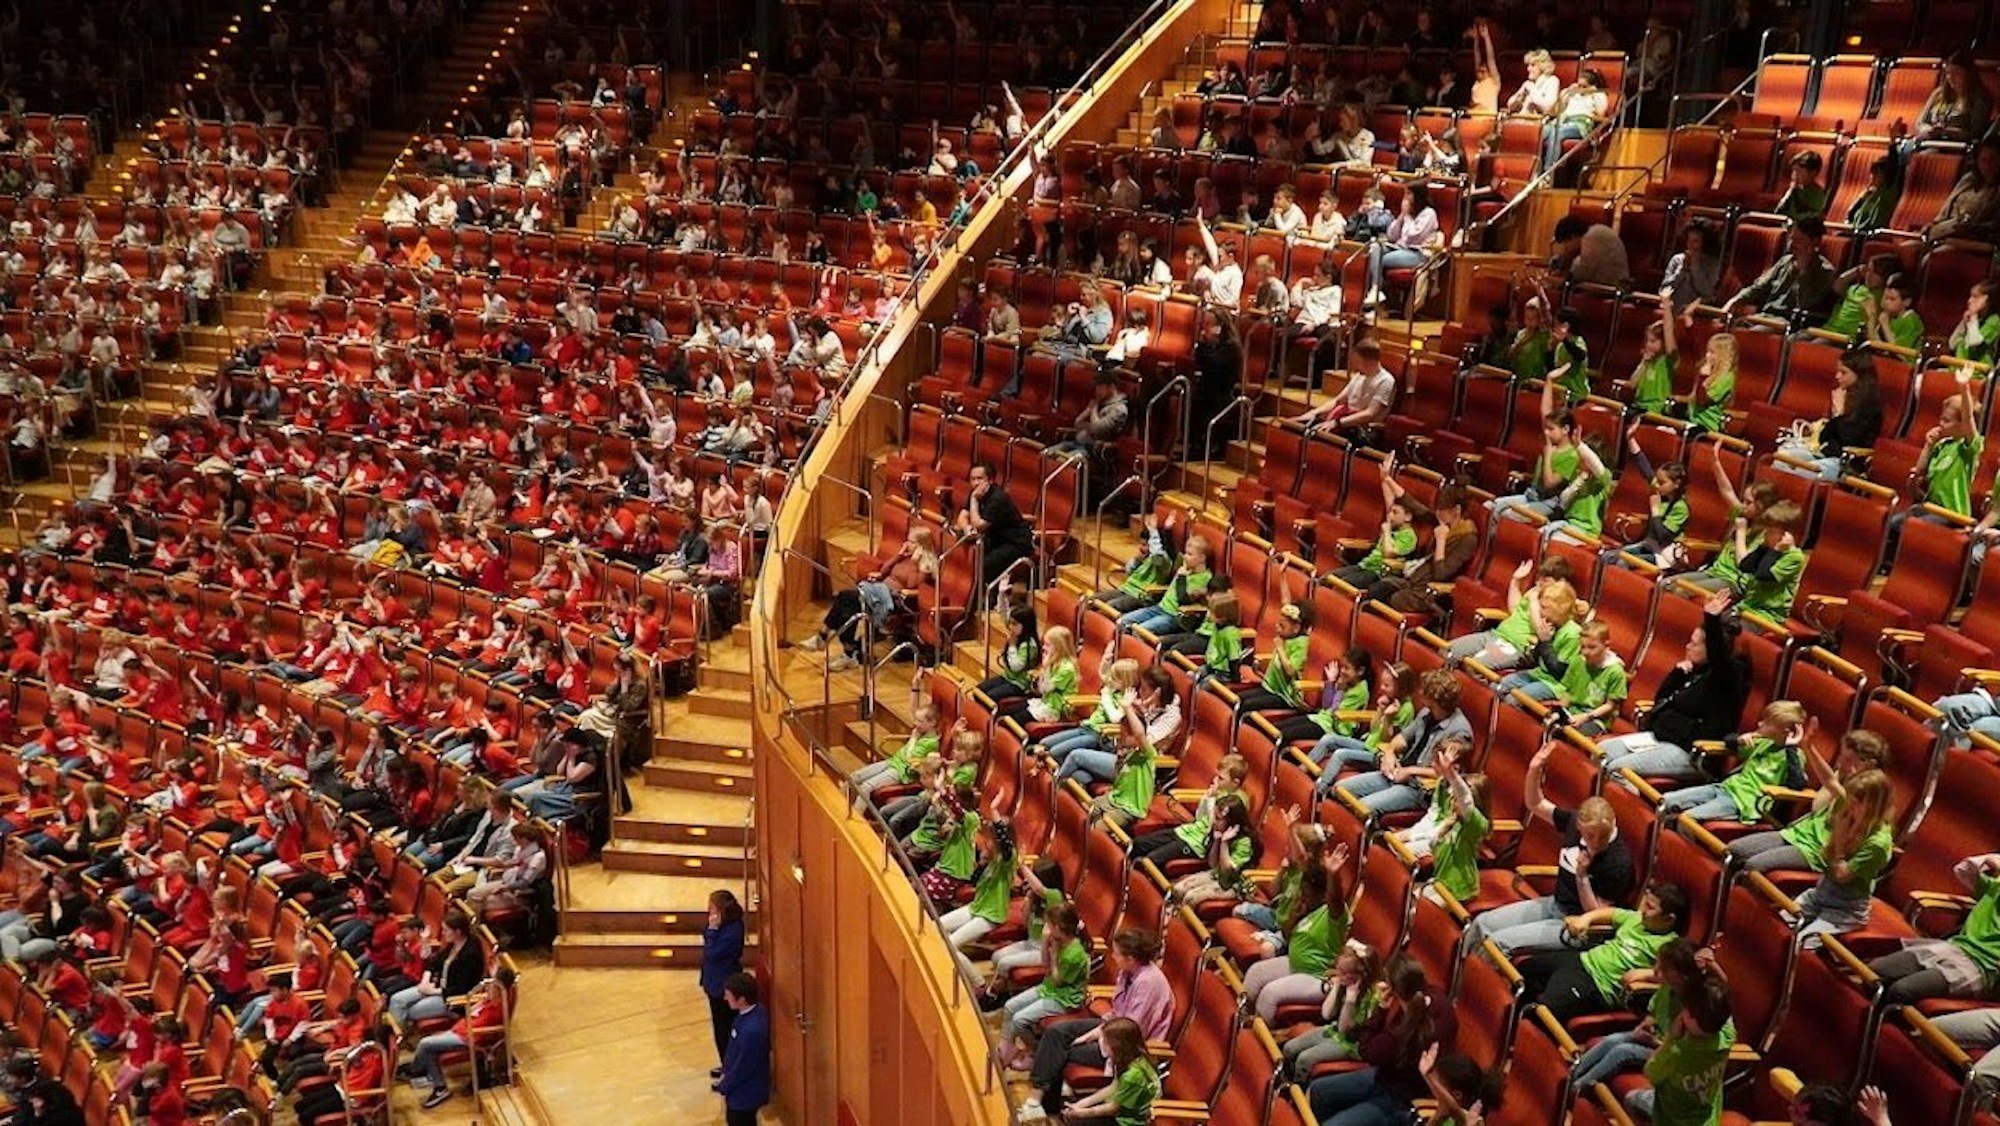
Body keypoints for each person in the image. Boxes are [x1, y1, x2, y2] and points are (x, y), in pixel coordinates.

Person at [1469, 741, 1635, 956]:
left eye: (1596, 836)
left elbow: (1595, 917)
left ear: (1611, 827)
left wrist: (1582, 876)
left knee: (1498, 944)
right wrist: (1534, 770)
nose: (1589, 841)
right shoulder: (1575, 822)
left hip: (1577, 924)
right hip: (1554, 904)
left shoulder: (1618, 863)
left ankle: (1480, 976)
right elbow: (1535, 804)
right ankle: (1460, 971)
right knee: (1482, 923)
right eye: (1585, 834)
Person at [1018, 931, 1174, 1123]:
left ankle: (1047, 1105)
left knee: (1063, 1051)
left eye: (1117, 953)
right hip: (1112, 1024)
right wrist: (1094, 1033)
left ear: (1131, 958)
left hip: (1128, 1043)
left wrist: (1097, 1035)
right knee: (1056, 1033)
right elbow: (1117, 1014)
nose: (1113, 957)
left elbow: (1129, 1029)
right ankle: (1038, 1101)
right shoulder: (1128, 971)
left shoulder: (1148, 983)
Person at [1517, 880, 1690, 1024]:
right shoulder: (1637, 919)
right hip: (1582, 960)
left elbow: (1680, 976)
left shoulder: (1670, 945)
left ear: (1669, 919)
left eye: (1651, 908)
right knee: (1522, 972)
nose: (1643, 911)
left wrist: (1648, 974)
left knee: (1545, 1011)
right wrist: (1585, 919)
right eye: (1645, 904)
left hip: (1599, 986)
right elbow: (1611, 913)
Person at [1655, 700, 1809, 824]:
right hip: (1724, 788)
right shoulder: (1764, 743)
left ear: (1786, 732)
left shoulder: (1794, 756)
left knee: (1688, 819)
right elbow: (1728, 742)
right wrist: (1740, 740)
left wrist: (1790, 748)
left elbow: (1797, 784)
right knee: (1666, 801)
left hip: (1743, 802)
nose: (1760, 724)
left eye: (1768, 723)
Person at [1776, 349, 1884, 481]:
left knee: (1801, 472)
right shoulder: (1843, 396)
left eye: (1843, 372)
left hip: (1846, 463)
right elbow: (1824, 437)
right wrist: (1833, 417)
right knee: (1781, 458)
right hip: (1825, 453)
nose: (1837, 376)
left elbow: (1849, 439)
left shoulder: (1870, 405)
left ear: (1860, 375)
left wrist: (1839, 413)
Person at [1042, 1017, 1157, 1124]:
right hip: (1119, 1104)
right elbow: (1114, 1087)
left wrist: (1082, 1113)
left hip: (1128, 1120)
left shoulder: (1132, 1075)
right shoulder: (1128, 1058)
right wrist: (1081, 1104)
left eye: (1104, 1040)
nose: (1100, 1043)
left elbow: (1114, 1109)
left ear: (1116, 1046)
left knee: (1077, 1122)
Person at [1721, 216, 1835, 324]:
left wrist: (1803, 270)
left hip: (1788, 322)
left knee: (1749, 331)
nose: (1791, 244)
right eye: (1791, 239)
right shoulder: (1785, 261)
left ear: (1814, 241)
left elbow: (1805, 303)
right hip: (1765, 316)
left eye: (1798, 240)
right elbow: (1758, 287)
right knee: (1729, 324)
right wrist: (1735, 300)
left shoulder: (1825, 271)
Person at [1295, 339, 1396, 447]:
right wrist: (1313, 414)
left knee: (1319, 437)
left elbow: (1370, 413)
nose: (1355, 366)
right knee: (1303, 428)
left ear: (1370, 361)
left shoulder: (1386, 381)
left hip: (1363, 429)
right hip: (1345, 422)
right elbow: (1338, 401)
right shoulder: (1359, 376)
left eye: (1358, 362)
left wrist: (1337, 423)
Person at [954, 461, 1035, 592]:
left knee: (983, 566)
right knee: (964, 557)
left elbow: (979, 526)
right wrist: (966, 528)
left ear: (990, 480)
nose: (975, 483)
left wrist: (974, 500)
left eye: (979, 478)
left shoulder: (997, 499)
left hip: (1015, 543)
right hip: (995, 540)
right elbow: (962, 517)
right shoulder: (976, 493)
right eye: (972, 479)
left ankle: (986, 598)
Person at [1363, 184, 1441, 310]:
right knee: (1375, 247)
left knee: (1378, 260)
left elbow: (1414, 237)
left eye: (1409, 194)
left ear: (1418, 196)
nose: (1405, 198)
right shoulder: (1407, 212)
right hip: (1399, 248)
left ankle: (1378, 296)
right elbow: (1392, 235)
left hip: (1418, 253)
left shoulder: (1429, 213)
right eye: (1405, 194)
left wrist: (1407, 216)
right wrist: (1401, 216)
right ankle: (1376, 290)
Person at [712, 972, 771, 1126]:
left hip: (745, 1094)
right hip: (742, 1089)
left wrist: (725, 1084)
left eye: (729, 996)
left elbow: (744, 1066)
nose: (725, 999)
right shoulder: (754, 1012)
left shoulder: (752, 1030)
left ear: (742, 999)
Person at [701, 890, 747, 1075]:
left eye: (712, 907)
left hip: (723, 986)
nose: (709, 911)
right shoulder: (721, 924)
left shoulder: (733, 929)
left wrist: (712, 931)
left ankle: (731, 1069)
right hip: (713, 983)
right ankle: (726, 1064)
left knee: (725, 1030)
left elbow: (712, 953)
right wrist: (711, 929)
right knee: (719, 1029)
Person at [1540, 69, 1609, 172]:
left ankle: (1548, 172)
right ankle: (1534, 168)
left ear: (1592, 86)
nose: (1580, 89)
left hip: (1580, 125)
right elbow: (1556, 111)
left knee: (1557, 132)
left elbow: (1600, 114)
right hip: (1562, 121)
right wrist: (1567, 92)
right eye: (1579, 85)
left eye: (1584, 86)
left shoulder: (1598, 95)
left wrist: (1593, 93)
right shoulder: (1572, 94)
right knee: (1540, 132)